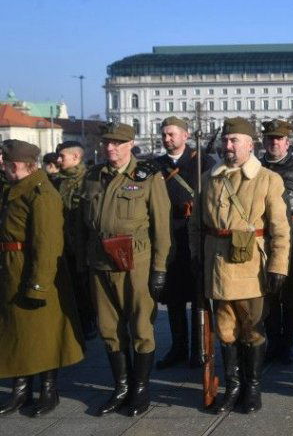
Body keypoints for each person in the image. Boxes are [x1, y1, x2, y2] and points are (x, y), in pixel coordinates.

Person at [189, 117, 291, 414]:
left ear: (250, 144)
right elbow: (196, 225)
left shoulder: (267, 179)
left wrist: (278, 266)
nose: (228, 146)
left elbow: (280, 229)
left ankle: (253, 387)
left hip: (250, 270)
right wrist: (197, 257)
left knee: (252, 330)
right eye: (226, 140)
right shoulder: (209, 178)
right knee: (225, 330)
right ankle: (232, 386)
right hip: (217, 267)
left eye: (235, 140)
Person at [82, 122, 172, 417]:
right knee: (109, 329)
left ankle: (141, 390)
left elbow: (162, 228)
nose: (110, 147)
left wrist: (159, 269)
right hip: (100, 262)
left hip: (137, 263)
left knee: (141, 328)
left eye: (117, 143)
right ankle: (121, 387)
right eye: (106, 142)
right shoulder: (94, 176)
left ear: (130, 144)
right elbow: (84, 226)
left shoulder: (147, 177)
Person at [0, 140, 84, 417]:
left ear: (16, 165)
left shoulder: (41, 194)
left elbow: (47, 244)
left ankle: (49, 389)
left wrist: (39, 285)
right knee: (16, 333)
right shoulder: (13, 189)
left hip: (35, 271)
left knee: (44, 335)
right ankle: (20, 389)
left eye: (5, 163)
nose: (2, 167)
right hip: (13, 268)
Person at [152, 117, 215, 370]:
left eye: (172, 134)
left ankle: (199, 349)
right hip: (169, 237)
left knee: (199, 296)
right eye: (164, 135)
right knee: (174, 299)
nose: (167, 139)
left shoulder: (203, 162)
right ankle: (178, 348)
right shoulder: (156, 166)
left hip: (195, 236)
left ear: (185, 136)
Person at [259, 120, 293, 365]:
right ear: (264, 142)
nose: (274, 142)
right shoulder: (256, 169)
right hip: (263, 242)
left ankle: (289, 342)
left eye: (278, 139)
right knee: (268, 295)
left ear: (287, 143)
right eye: (270, 138)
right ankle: (273, 341)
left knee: (291, 296)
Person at [54, 141, 97, 340]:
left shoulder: (89, 180)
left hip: (83, 245)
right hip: (64, 245)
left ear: (76, 158)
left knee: (84, 288)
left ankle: (88, 323)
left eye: (62, 156)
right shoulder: (57, 182)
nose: (58, 160)